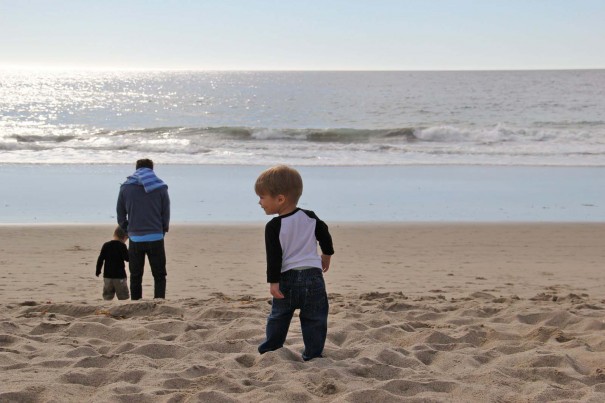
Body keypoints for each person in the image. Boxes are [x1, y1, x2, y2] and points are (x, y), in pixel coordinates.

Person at [254, 165, 334, 361]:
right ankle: (313, 354)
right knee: (315, 318)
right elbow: (325, 234)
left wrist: (273, 282)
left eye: (262, 197)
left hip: (287, 279)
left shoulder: (274, 226)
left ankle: (271, 348)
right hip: (314, 278)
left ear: (280, 199)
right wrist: (326, 255)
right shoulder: (310, 217)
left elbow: (274, 257)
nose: (259, 202)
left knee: (279, 316)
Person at [117, 159, 170, 300]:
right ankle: (159, 303)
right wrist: (162, 230)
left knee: (135, 275)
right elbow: (166, 213)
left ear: (136, 169)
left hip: (135, 238)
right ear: (152, 170)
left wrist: (128, 230)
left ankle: (136, 304)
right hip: (156, 237)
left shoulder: (125, 188)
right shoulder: (161, 187)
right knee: (159, 275)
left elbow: (120, 215)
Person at [96, 226, 130, 300]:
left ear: (115, 234)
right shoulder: (122, 246)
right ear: (125, 237)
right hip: (119, 276)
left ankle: (107, 309)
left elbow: (100, 259)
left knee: (107, 296)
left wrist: (98, 271)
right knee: (123, 297)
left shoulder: (106, 245)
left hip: (107, 277)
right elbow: (127, 259)